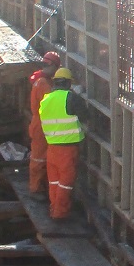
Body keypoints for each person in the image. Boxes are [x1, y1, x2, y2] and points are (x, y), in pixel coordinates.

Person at [39, 66, 86, 219]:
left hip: (52, 148)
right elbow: (86, 116)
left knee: (54, 182)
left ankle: (54, 209)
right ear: (67, 83)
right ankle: (60, 213)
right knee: (66, 182)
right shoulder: (70, 97)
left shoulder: (46, 99)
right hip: (67, 148)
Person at [27, 49, 61, 197]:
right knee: (39, 157)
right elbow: (52, 104)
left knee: (40, 157)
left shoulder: (40, 80)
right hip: (42, 124)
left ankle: (39, 186)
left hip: (40, 122)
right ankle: (36, 188)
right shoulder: (43, 84)